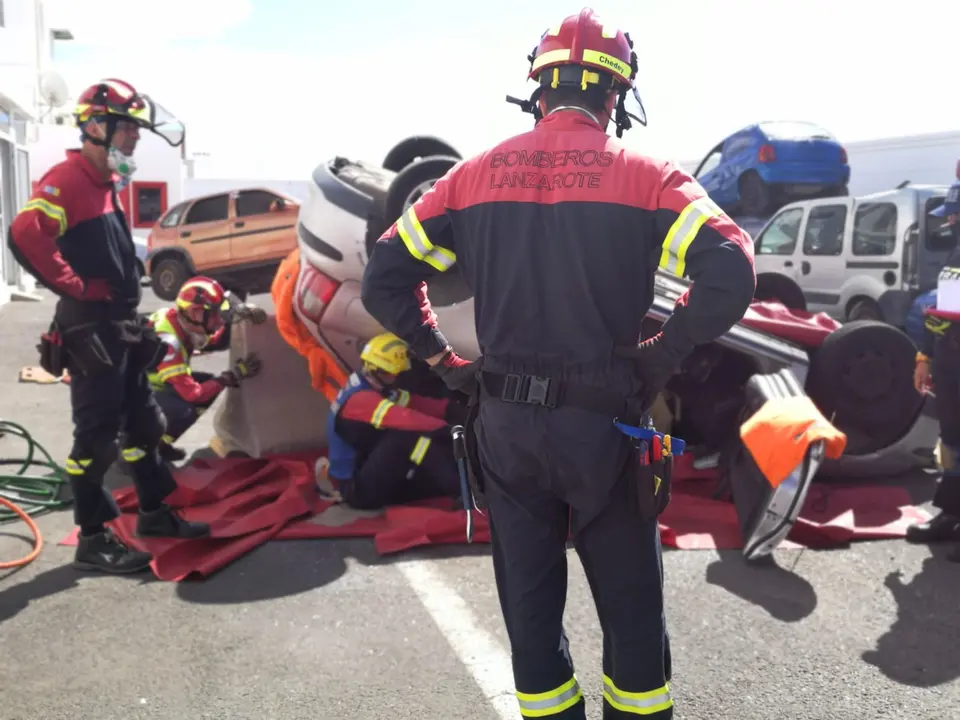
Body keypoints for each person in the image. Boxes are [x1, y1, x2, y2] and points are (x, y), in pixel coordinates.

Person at [359, 9, 756, 718]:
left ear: (538, 91)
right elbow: (731, 267)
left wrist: (447, 363)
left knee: (532, 622)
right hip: (606, 425)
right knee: (632, 616)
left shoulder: (466, 179)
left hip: (505, 428)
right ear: (616, 96)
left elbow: (384, 276)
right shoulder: (648, 178)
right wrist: (659, 360)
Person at [6, 78, 210, 574]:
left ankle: (155, 514)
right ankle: (93, 538)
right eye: (128, 131)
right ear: (96, 127)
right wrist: (74, 285)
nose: (135, 140)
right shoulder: (69, 179)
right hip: (91, 329)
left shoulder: (105, 184)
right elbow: (26, 233)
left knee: (143, 424)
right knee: (95, 437)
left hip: (120, 326)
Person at [326, 332, 464, 510]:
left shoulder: (373, 386)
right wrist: (449, 430)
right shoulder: (360, 400)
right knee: (407, 438)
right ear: (378, 370)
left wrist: (454, 409)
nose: (397, 377)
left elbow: (416, 403)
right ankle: (463, 490)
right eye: (393, 373)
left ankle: (466, 482)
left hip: (370, 469)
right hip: (357, 490)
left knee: (429, 472)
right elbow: (408, 418)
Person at [145, 276, 266, 462]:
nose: (219, 319)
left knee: (208, 385)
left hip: (152, 384)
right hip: (134, 394)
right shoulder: (170, 343)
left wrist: (238, 312)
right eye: (215, 313)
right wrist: (231, 376)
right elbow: (193, 394)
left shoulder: (179, 320)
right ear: (195, 313)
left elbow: (214, 339)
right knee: (184, 410)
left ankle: (159, 445)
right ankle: (144, 451)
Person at [909, 181, 960, 561]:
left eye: (955, 215)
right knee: (952, 443)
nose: (951, 222)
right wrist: (925, 359)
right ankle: (951, 514)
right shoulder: (956, 255)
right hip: (951, 364)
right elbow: (943, 313)